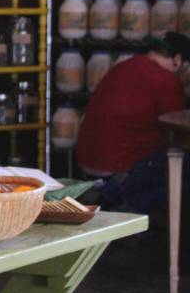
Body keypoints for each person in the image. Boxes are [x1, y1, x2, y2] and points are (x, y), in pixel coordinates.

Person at [78, 32, 190, 212]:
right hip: (120, 169)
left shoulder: (123, 67)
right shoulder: (166, 79)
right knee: (183, 166)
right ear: (177, 60)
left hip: (88, 164)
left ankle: (112, 197)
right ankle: (128, 206)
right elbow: (177, 130)